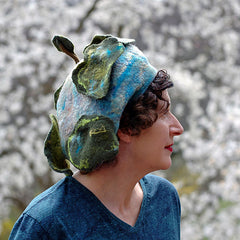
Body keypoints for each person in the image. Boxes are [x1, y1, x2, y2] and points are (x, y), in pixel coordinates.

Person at [9, 34, 184, 240]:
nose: (178, 128)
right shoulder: (47, 225)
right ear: (124, 127)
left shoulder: (164, 199)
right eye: (163, 113)